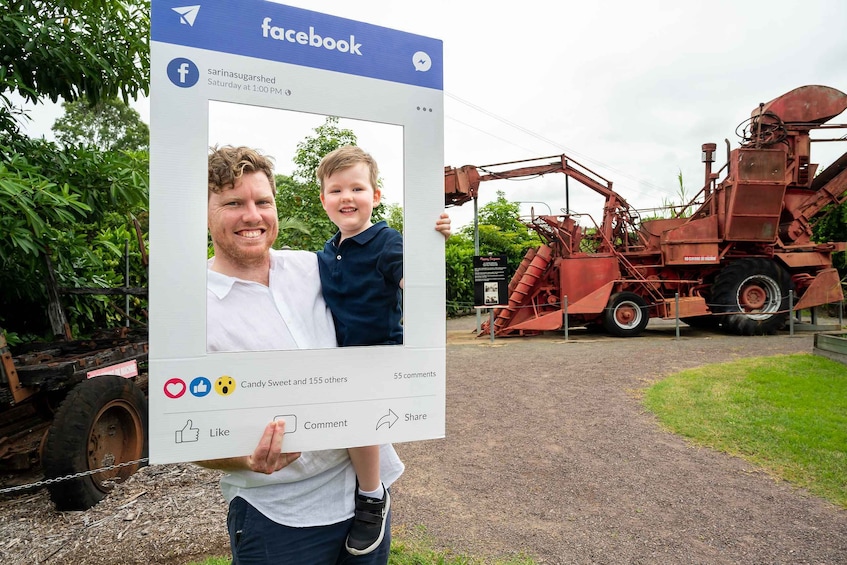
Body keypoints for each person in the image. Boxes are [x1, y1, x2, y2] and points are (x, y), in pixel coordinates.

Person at [198, 145, 449, 565]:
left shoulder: (311, 266)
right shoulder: (191, 308)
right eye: (232, 203)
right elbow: (184, 431)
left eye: (262, 201)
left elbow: (389, 269)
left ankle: (374, 497)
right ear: (203, 212)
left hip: (363, 498)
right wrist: (242, 457)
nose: (252, 216)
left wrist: (431, 238)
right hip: (279, 517)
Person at [315, 145, 451, 555]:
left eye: (357, 187)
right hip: (340, 355)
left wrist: (432, 244)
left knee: (359, 419)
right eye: (336, 190)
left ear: (375, 196)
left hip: (379, 354)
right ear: (324, 199)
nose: (346, 197)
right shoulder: (327, 251)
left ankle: (372, 496)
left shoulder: (387, 242)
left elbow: (418, 284)